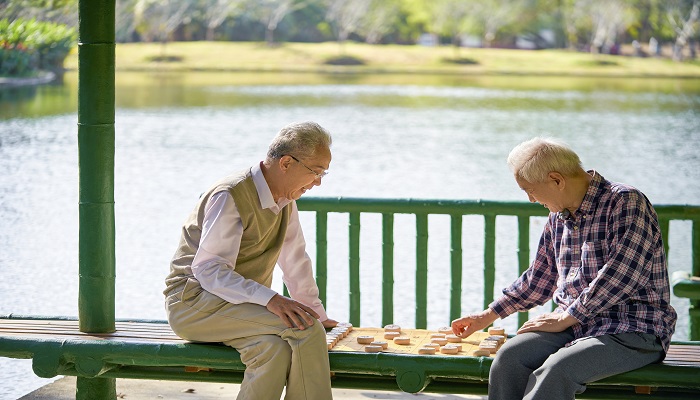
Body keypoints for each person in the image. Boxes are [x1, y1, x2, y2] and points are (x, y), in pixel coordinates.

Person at [451, 137, 677, 400]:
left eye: (529, 190)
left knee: (556, 371)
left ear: (557, 180)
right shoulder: (558, 216)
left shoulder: (627, 202)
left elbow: (623, 275)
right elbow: (539, 278)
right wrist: (486, 316)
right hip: (574, 326)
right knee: (509, 358)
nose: (531, 200)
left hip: (633, 329)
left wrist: (567, 317)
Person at [164, 121, 337, 400]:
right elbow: (208, 270)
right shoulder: (230, 195)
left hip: (236, 309)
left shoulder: (285, 200)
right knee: (305, 330)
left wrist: (315, 311)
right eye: (316, 172)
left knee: (273, 350)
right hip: (192, 304)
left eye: (323, 174)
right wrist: (273, 300)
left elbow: (295, 261)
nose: (318, 181)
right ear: (286, 163)